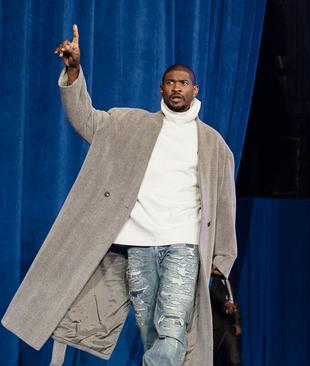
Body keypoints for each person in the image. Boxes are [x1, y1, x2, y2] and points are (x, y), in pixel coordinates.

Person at [2, 25, 238, 366]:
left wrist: (223, 255)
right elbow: (84, 118)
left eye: (183, 82)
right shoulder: (129, 124)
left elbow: (224, 204)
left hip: (183, 246)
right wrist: (72, 71)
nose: (176, 87)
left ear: (195, 89)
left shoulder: (214, 144)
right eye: (170, 82)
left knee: (173, 332)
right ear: (161, 88)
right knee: (153, 336)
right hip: (138, 248)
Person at [210, 274, 242, 366]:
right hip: (214, 326)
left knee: (234, 359)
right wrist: (225, 304)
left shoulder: (229, 280)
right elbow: (214, 293)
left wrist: (237, 322)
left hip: (229, 326)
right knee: (208, 356)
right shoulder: (212, 280)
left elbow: (234, 301)